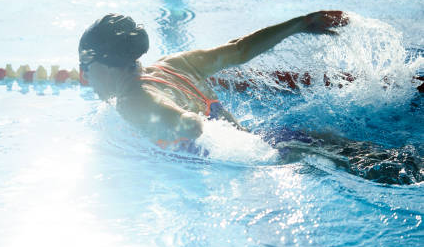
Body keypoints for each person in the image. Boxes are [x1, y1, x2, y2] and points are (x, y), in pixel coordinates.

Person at [79, 11, 348, 145]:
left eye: (85, 65)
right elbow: (239, 49)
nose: (84, 76)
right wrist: (302, 23)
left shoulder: (131, 99)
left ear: (106, 65)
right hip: (278, 139)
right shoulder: (175, 64)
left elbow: (184, 123)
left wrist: (184, 122)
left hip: (267, 161)